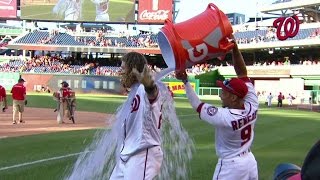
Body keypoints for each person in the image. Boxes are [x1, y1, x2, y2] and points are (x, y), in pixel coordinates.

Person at [176, 36, 259, 180]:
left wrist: (185, 81)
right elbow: (242, 73)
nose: (221, 95)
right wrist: (235, 48)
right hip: (249, 161)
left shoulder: (225, 117)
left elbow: (197, 105)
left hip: (231, 166)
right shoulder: (252, 103)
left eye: (224, 92)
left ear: (233, 98)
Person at [110, 52, 164, 180]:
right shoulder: (134, 92)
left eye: (123, 68)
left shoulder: (142, 89)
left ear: (133, 70)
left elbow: (152, 96)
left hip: (142, 153)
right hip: (128, 155)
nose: (120, 72)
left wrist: (149, 86)